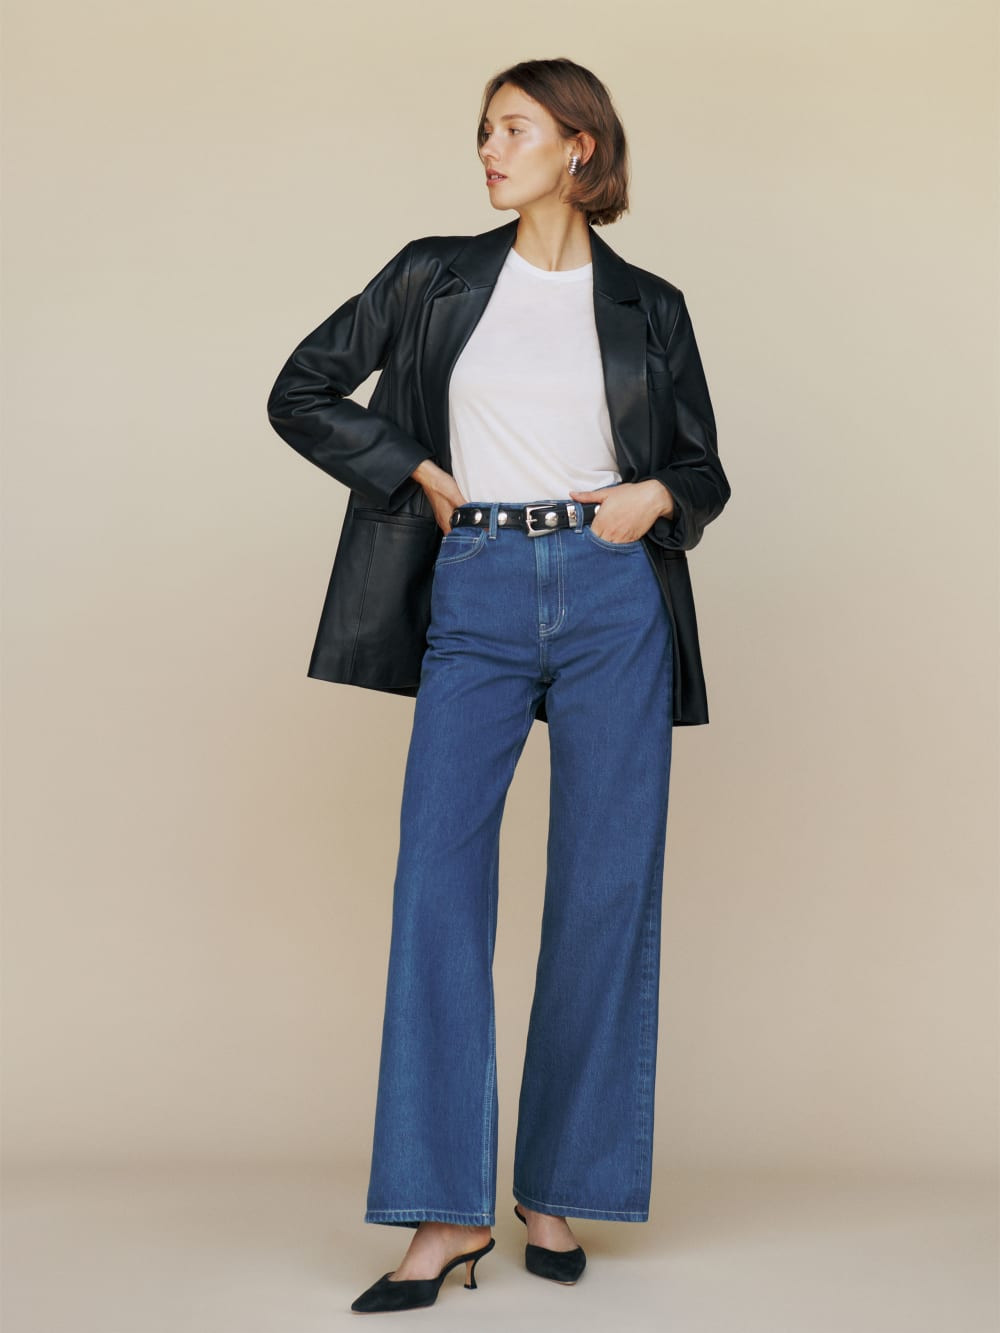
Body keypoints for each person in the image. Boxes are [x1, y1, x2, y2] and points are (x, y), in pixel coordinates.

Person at [266, 57, 731, 1315]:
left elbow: (702, 470)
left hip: (613, 596)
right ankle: (444, 1212)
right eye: (483, 130)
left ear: (579, 146)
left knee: (603, 888)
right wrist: (414, 468)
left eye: (513, 129)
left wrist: (655, 495)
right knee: (436, 883)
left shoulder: (649, 305)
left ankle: (556, 1187)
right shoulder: (432, 274)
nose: (487, 149)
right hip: (473, 585)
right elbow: (301, 390)